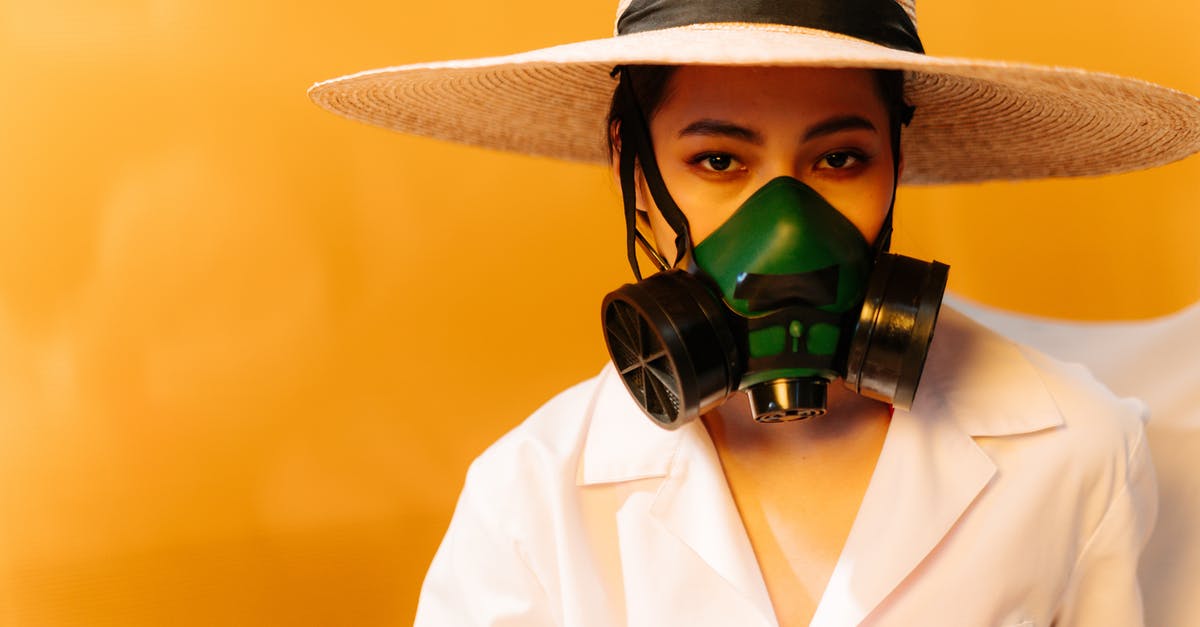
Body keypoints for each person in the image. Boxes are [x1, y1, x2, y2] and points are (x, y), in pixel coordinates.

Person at [309, 1, 1200, 624]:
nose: (786, 227)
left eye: (840, 159)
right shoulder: (531, 496)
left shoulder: (1076, 449)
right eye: (721, 162)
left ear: (898, 157)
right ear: (636, 169)